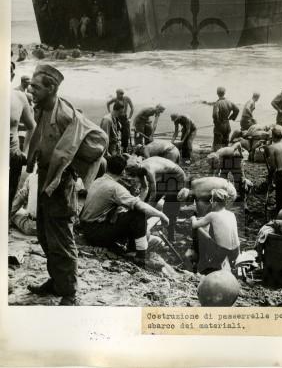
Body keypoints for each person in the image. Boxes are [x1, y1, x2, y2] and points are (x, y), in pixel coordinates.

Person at [26, 64, 108, 305]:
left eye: (36, 87)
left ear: (51, 88)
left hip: (61, 184)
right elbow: (40, 136)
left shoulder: (65, 115)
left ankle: (70, 292)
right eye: (30, 86)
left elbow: (98, 142)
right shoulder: (42, 108)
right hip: (45, 177)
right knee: (44, 234)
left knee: (61, 238)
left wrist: (72, 168)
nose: (31, 91)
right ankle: (56, 282)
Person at [79, 155, 169, 266]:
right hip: (96, 233)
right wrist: (161, 215)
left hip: (87, 228)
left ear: (107, 167)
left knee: (132, 216)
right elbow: (139, 206)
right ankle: (140, 256)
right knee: (138, 214)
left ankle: (132, 249)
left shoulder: (98, 180)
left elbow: (134, 203)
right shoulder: (115, 188)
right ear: (123, 172)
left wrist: (144, 188)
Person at [127, 156, 187, 242]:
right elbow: (145, 188)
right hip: (165, 176)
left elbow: (153, 194)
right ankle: (144, 226)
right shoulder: (139, 169)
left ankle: (171, 236)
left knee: (170, 207)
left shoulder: (148, 170)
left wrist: (147, 208)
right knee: (147, 202)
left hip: (176, 176)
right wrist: (139, 203)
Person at [189, 188, 240, 274]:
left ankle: (201, 260)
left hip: (222, 252)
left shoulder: (212, 215)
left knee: (198, 230)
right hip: (236, 251)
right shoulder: (231, 214)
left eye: (211, 200)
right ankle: (228, 263)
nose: (211, 202)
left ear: (215, 203)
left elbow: (195, 225)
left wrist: (193, 218)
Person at [9, 65, 35, 209]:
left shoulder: (19, 97)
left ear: (12, 76)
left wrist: (25, 152)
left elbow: (32, 126)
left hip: (13, 155)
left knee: (9, 196)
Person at [211, 87, 239, 151]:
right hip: (227, 125)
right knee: (225, 143)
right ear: (224, 93)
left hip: (220, 126)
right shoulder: (229, 102)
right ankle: (225, 155)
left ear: (217, 93)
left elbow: (215, 114)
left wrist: (217, 122)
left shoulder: (217, 103)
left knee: (217, 144)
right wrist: (232, 117)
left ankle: (217, 155)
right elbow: (237, 110)